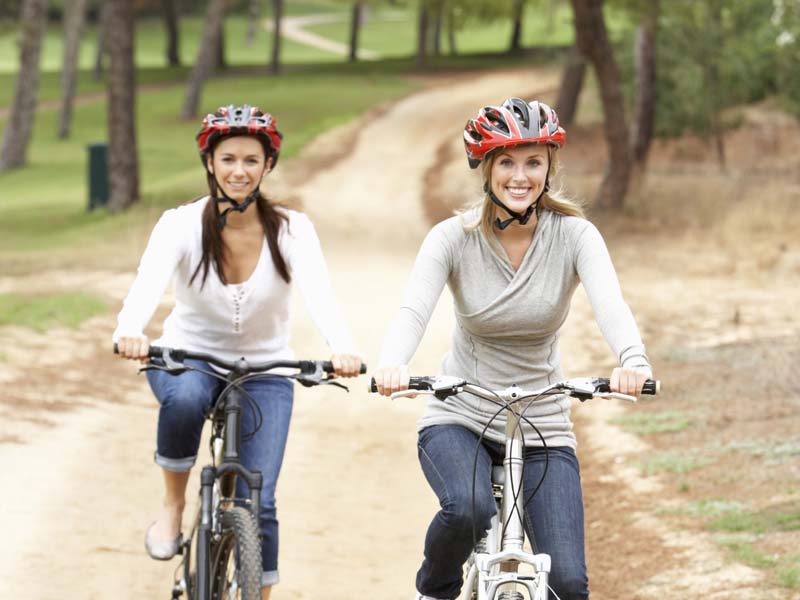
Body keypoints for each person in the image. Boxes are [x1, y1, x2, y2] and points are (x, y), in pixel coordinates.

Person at [372, 98, 653, 600]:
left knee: (568, 583)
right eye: (506, 161)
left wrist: (632, 360)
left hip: (543, 420)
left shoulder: (575, 236)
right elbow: (413, 311)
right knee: (468, 507)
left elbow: (611, 305)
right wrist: (393, 362)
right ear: (485, 168)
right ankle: (433, 589)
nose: (520, 176)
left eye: (533, 162)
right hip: (462, 416)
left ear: (549, 167)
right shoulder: (451, 239)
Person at [114, 104, 361, 599]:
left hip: (265, 368)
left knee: (260, 502)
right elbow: (147, 285)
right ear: (210, 162)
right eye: (228, 159)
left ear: (268, 165)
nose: (239, 171)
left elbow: (320, 294)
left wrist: (343, 348)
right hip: (188, 357)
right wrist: (130, 329)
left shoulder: (292, 229)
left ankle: (256, 592)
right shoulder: (180, 225)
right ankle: (173, 508)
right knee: (184, 400)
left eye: (252, 160)